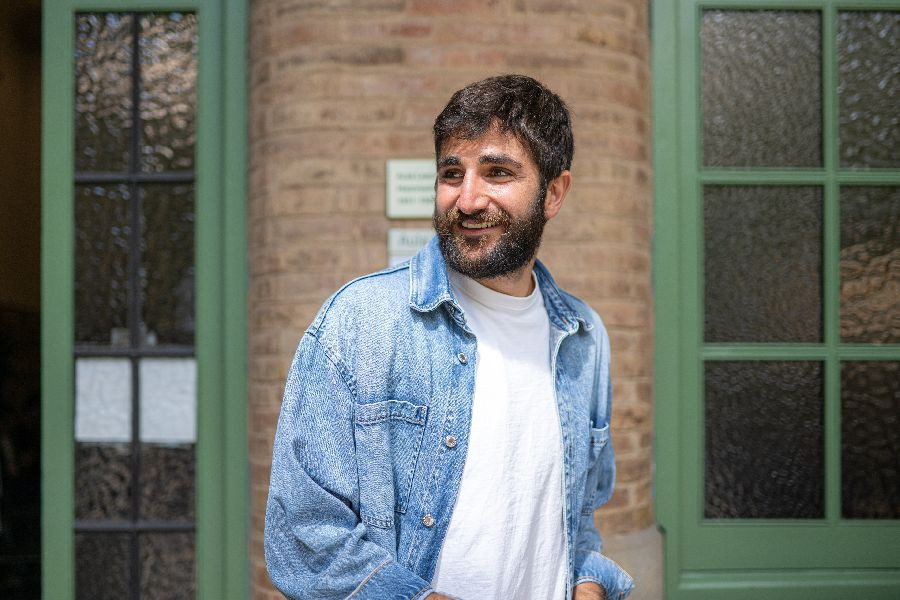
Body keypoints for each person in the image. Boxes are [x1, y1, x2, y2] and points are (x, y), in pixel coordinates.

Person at [265, 74, 634, 600]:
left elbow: (575, 520)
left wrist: (589, 583)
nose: (468, 199)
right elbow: (305, 538)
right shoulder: (361, 322)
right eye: (451, 173)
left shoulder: (584, 337)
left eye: (498, 173)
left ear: (554, 193)